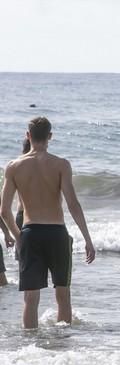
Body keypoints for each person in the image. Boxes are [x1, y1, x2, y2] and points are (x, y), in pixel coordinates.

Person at [0, 117, 96, 328]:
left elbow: (4, 211)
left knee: (31, 299)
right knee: (63, 295)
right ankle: (62, 344)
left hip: (30, 233)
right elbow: (73, 204)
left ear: (28, 136)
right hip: (57, 234)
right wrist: (88, 239)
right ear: (50, 136)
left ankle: (31, 350)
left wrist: (18, 238)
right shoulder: (61, 164)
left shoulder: (14, 166)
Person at [0, 139, 29, 286]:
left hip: (22, 216)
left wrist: (9, 234)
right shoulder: (49, 165)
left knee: (23, 265)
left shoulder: (16, 166)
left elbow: (3, 209)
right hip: (43, 221)